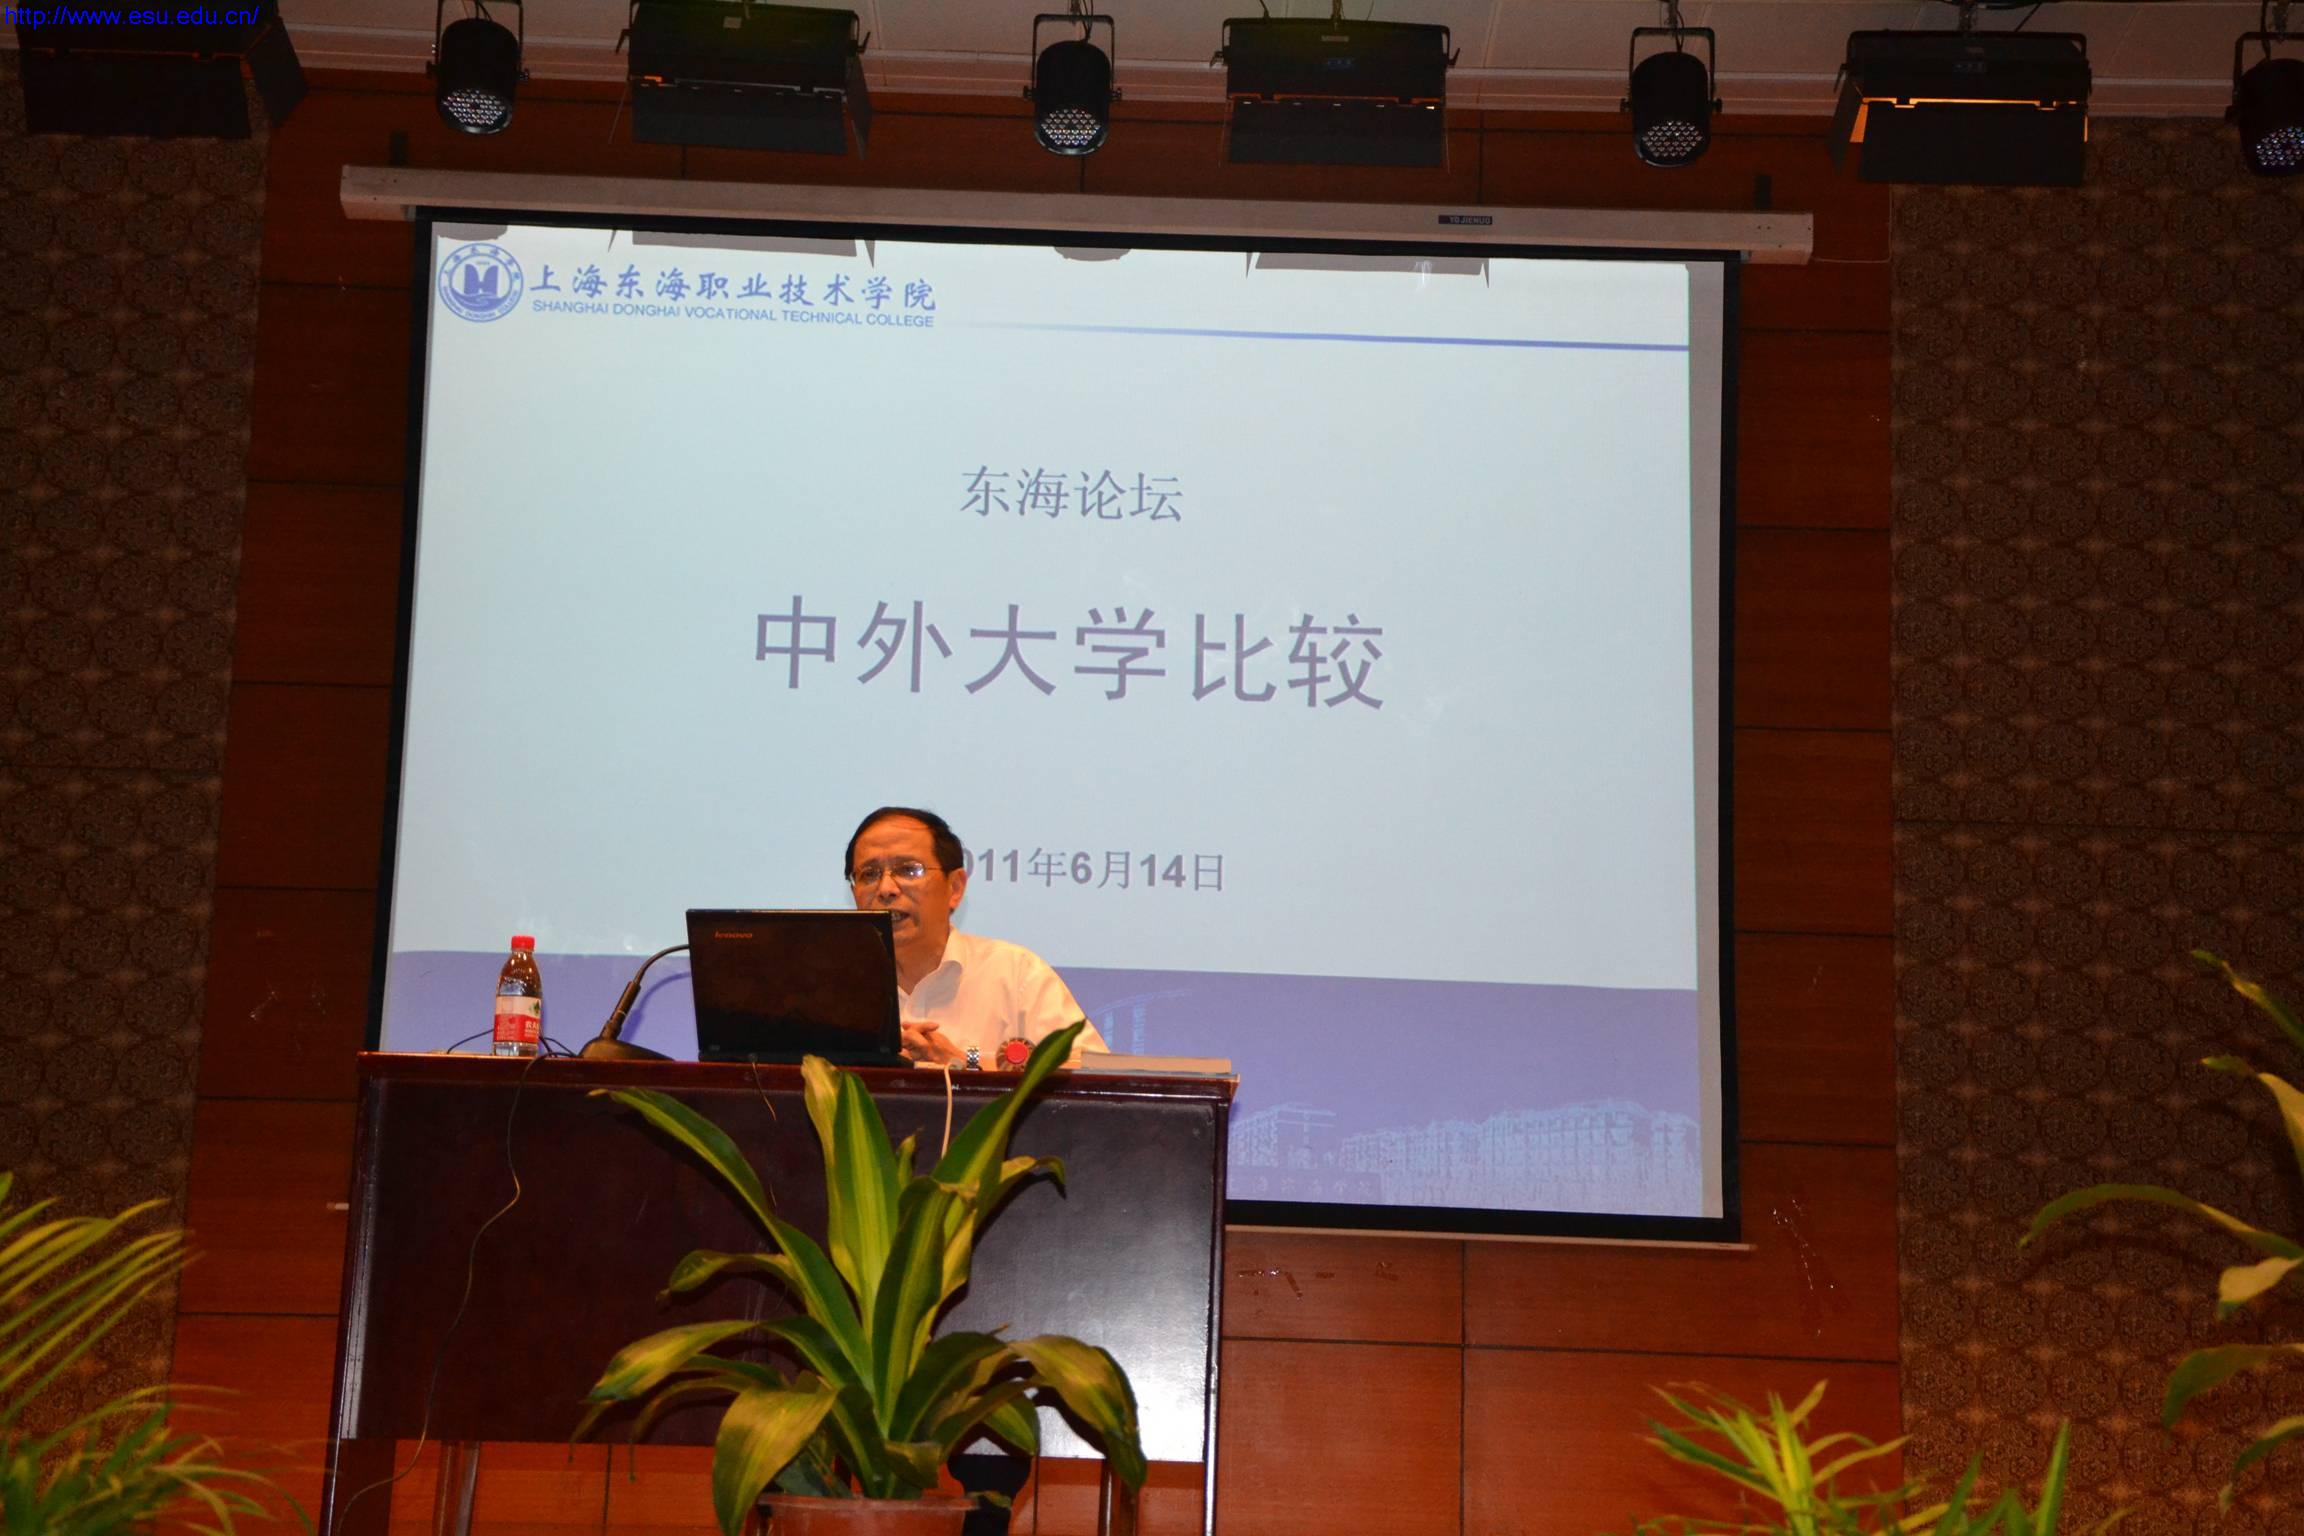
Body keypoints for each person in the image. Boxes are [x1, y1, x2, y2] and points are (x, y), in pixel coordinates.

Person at [844, 805, 1108, 1068]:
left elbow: (1092, 1078)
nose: (886, 888)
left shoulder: (1017, 974)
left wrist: (963, 1063)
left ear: (955, 888)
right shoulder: (831, 985)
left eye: (908, 870)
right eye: (869, 874)